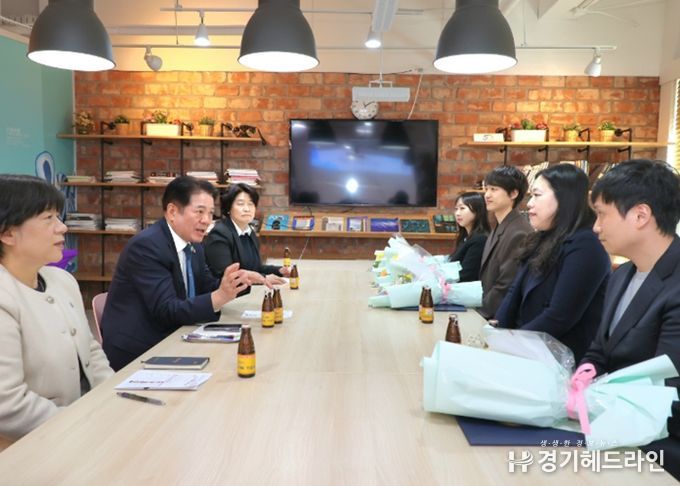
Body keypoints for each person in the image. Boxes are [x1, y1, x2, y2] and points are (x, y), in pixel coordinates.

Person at [576, 159, 680, 479]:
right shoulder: (622, 275)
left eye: (602, 214)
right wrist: (582, 375)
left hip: (659, 443)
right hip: (613, 422)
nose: (596, 227)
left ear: (640, 215)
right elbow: (600, 348)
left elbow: (667, 387)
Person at [0, 174, 113, 440]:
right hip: (33, 444)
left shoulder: (61, 280)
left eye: (58, 217)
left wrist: (112, 399)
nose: (62, 227)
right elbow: (8, 404)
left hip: (86, 425)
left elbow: (91, 351)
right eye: (48, 218)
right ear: (7, 233)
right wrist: (83, 425)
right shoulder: (5, 297)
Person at [101, 176, 253, 370]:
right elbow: (167, 310)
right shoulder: (147, 246)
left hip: (176, 336)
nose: (207, 220)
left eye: (210, 213)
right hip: (141, 350)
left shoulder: (194, 245)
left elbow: (206, 287)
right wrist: (220, 296)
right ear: (172, 212)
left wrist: (237, 282)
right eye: (199, 212)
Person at [495, 164, 610, 362]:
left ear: (564, 198)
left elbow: (559, 316)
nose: (529, 204)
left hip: (560, 360)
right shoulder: (542, 237)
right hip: (528, 348)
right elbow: (514, 292)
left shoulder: (586, 245)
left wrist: (513, 344)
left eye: (537, 195)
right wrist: (496, 332)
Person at [204, 183, 290, 285]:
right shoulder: (219, 234)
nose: (247, 209)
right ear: (228, 208)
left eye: (251, 204)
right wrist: (263, 278)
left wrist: (279, 270)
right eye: (240, 204)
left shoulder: (249, 231)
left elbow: (255, 268)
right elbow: (227, 276)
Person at [478, 166, 532, 318]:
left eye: (494, 189)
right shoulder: (500, 226)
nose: (487, 195)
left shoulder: (519, 232)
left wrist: (480, 313)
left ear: (513, 193)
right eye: (486, 189)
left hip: (499, 317)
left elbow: (506, 285)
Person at [448, 191, 490, 282]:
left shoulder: (480, 239)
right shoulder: (465, 236)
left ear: (477, 211)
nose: (457, 213)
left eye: (462, 208)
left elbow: (467, 275)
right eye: (456, 209)